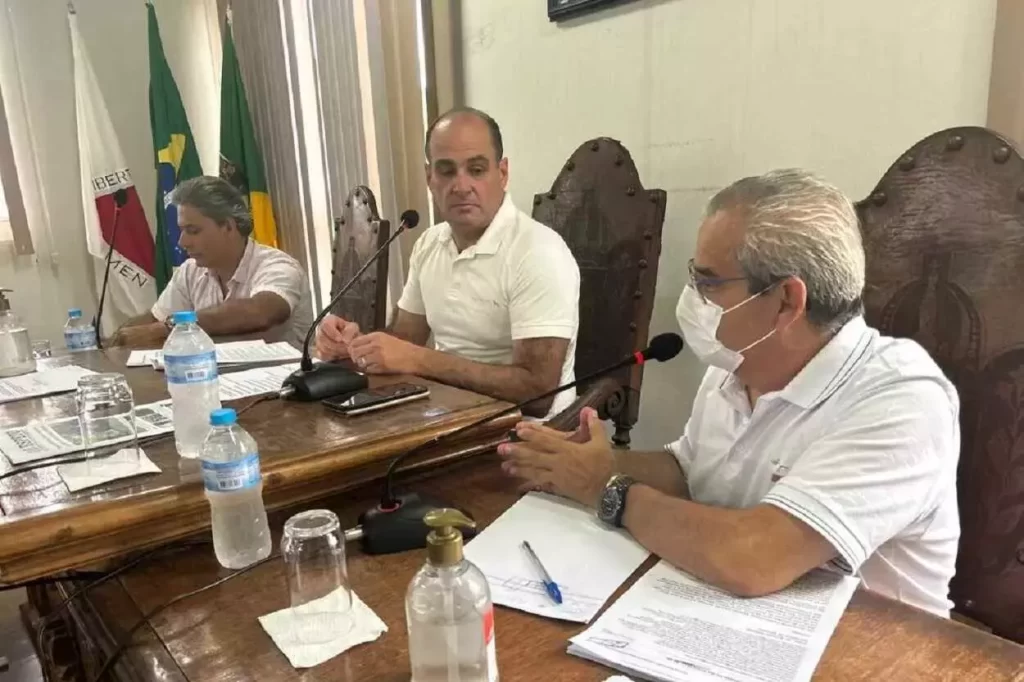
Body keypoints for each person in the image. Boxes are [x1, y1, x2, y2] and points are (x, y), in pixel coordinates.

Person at [499, 169, 961, 617]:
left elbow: (754, 557)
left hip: (878, 653)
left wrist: (604, 485)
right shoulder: (737, 364)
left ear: (786, 302)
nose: (692, 297)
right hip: (736, 621)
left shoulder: (902, 399)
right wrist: (586, 461)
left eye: (708, 282)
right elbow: (690, 470)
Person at [315, 108, 580, 419]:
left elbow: (538, 393)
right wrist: (354, 344)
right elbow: (405, 338)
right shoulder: (429, 243)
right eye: (446, 171)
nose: (461, 186)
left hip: (527, 435)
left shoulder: (538, 252)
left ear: (503, 173)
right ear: (430, 177)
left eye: (477, 170)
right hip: (444, 415)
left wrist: (418, 361)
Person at [110, 176, 312, 348]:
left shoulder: (277, 266)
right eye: (182, 230)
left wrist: (168, 327)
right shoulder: (190, 271)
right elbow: (154, 320)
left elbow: (260, 311)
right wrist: (113, 340)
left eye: (193, 231)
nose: (182, 242)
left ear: (228, 226)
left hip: (287, 386)